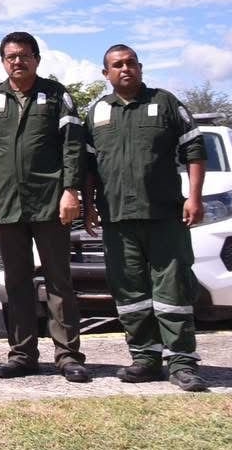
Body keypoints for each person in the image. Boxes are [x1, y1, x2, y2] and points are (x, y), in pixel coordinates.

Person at [84, 45, 207, 392]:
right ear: (106, 73)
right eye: (117, 65)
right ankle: (145, 358)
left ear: (140, 67)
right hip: (117, 218)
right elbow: (88, 166)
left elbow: (194, 149)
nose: (125, 69)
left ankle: (181, 362)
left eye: (131, 63)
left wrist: (194, 197)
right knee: (129, 291)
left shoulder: (165, 102)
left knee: (173, 289)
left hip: (164, 214)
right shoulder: (97, 112)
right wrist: (89, 205)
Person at [0, 31, 89, 382]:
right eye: (11, 56)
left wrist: (71, 191)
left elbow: (73, 146)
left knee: (58, 280)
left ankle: (68, 356)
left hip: (51, 202)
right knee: (16, 282)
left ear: (37, 59)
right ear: (2, 61)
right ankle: (22, 355)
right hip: (9, 206)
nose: (17, 61)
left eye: (24, 55)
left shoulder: (56, 95)